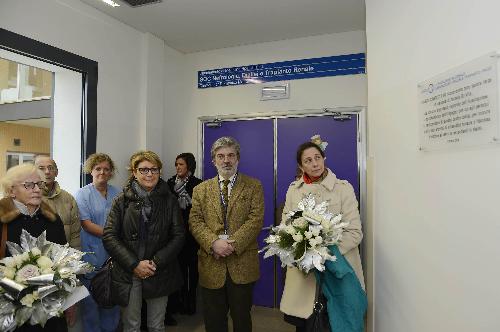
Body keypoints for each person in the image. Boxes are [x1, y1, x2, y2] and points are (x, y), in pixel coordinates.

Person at [280, 141, 366, 332]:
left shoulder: (343, 189)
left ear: (324, 159)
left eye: (317, 158)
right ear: (301, 166)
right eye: (308, 161)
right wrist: (299, 248)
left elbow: (355, 232)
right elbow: (285, 227)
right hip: (305, 273)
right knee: (306, 323)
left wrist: (322, 253)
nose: (315, 164)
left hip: (338, 268)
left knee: (336, 322)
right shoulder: (294, 190)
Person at [102, 150, 184, 332]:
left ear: (160, 172)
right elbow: (109, 235)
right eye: (144, 170)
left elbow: (179, 236)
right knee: (131, 326)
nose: (149, 174)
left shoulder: (170, 200)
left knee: (156, 325)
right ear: (134, 172)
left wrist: (156, 262)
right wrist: (134, 264)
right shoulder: (121, 200)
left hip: (159, 271)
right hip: (128, 271)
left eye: (154, 170)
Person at [189, 137, 264, 332]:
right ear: (213, 160)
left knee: (242, 319)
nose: (226, 160)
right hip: (211, 264)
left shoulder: (254, 186)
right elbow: (195, 221)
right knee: (214, 321)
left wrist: (232, 244)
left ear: (238, 158)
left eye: (231, 155)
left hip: (243, 264)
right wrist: (213, 243)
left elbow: (255, 220)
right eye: (220, 156)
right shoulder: (200, 190)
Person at [0, 164, 70, 331]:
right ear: (11, 191)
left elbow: (64, 258)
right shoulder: (2, 218)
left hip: (49, 305)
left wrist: (68, 300)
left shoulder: (52, 219)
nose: (37, 189)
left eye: (39, 184)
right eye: (29, 185)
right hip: (10, 304)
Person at [74, 153, 120, 332]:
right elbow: (86, 225)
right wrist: (114, 235)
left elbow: (124, 219)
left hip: (114, 256)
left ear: (110, 172)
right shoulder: (83, 194)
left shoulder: (118, 193)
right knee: (91, 305)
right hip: (91, 256)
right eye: (98, 168)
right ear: (90, 171)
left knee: (111, 302)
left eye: (106, 169)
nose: (102, 172)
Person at [166, 153, 203, 318]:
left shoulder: (198, 184)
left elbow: (200, 210)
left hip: (192, 235)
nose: (177, 167)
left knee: (192, 271)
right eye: (176, 164)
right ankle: (177, 303)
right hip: (174, 234)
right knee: (177, 270)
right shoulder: (170, 183)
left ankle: (191, 302)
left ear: (189, 166)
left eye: (181, 164)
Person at [34, 155, 80, 249]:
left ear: (56, 172)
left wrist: (75, 256)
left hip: (63, 258)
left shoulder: (68, 199)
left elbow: (75, 234)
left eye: (50, 168)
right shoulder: (28, 198)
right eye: (41, 168)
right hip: (34, 258)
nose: (47, 172)